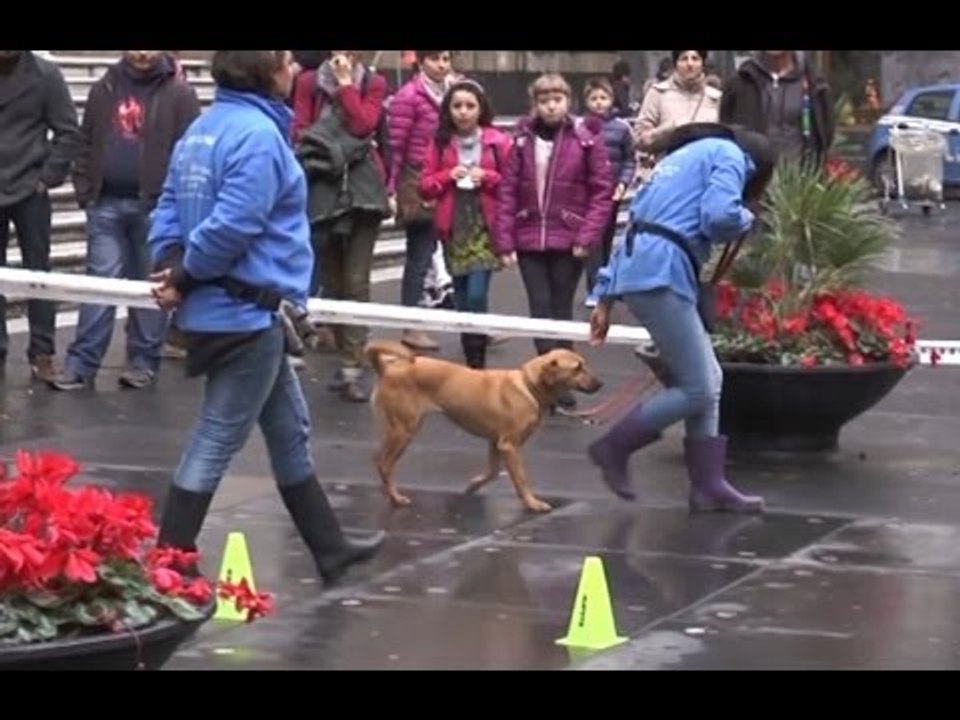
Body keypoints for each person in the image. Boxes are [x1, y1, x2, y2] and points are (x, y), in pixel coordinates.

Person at [147, 50, 384, 584]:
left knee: (289, 431)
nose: (295, 68)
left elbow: (167, 204)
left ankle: (331, 549)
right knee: (216, 437)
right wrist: (183, 274)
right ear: (264, 72)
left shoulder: (205, 130)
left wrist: (170, 261)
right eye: (284, 59)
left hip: (237, 309)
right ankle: (169, 564)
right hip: (243, 312)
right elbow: (236, 222)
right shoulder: (256, 137)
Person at [586, 122, 777, 513]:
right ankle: (615, 446)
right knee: (699, 389)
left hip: (642, 268)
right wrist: (746, 217)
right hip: (663, 271)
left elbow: (631, 225)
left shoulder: (677, 160)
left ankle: (708, 485)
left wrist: (604, 296)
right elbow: (719, 217)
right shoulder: (730, 156)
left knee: (710, 379)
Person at [51, 51, 201, 391]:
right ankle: (81, 363)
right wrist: (84, 188)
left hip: (155, 205)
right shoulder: (105, 86)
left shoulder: (179, 93)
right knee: (99, 282)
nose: (143, 53)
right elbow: (86, 138)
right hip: (105, 201)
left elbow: (190, 151)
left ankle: (143, 361)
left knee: (150, 286)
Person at [496, 73, 613, 411]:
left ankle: (564, 383)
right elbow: (507, 191)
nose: (550, 105)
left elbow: (600, 192)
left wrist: (586, 236)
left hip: (569, 237)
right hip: (529, 233)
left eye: (557, 98)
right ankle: (543, 380)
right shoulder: (520, 139)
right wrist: (504, 242)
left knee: (560, 309)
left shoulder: (586, 138)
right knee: (539, 309)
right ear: (535, 103)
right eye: (544, 99)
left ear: (568, 101)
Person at [295, 50, 391, 403]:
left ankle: (352, 365)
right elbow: (302, 131)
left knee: (356, 281)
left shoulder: (374, 82)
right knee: (333, 281)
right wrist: (340, 149)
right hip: (322, 186)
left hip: (363, 191)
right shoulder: (307, 82)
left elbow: (365, 123)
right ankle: (342, 353)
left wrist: (347, 86)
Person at [417, 79, 512, 368]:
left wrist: (489, 177)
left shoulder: (498, 141)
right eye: (457, 105)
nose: (463, 112)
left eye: (470, 105)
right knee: (460, 295)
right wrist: (448, 175)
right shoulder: (440, 142)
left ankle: (477, 360)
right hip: (453, 226)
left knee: (476, 293)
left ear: (481, 108)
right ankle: (470, 356)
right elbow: (425, 186)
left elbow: (512, 183)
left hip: (485, 226)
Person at [0, 50, 80, 382]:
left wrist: (47, 177)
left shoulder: (46, 75)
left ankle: (42, 351)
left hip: (29, 187)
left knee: (39, 271)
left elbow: (68, 131)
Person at [388, 50, 457, 352]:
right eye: (434, 59)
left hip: (452, 176)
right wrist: (392, 187)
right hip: (418, 180)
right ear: (421, 61)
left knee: (462, 252)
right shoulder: (409, 96)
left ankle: (474, 319)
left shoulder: (457, 90)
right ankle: (411, 325)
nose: (442, 65)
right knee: (419, 253)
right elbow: (396, 145)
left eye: (445, 58)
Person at [720, 51, 834, 167]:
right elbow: (727, 132)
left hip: (799, 178)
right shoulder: (742, 81)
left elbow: (825, 135)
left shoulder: (813, 84)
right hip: (754, 178)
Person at [580, 77, 636, 308]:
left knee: (610, 241)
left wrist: (623, 183)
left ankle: (610, 283)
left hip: (613, 193)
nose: (599, 103)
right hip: (589, 195)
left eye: (603, 97)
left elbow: (629, 160)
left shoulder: (622, 128)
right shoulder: (579, 127)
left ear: (611, 99)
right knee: (593, 243)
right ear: (586, 102)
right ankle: (594, 287)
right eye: (594, 98)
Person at [635, 51, 721, 155]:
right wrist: (671, 129)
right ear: (676, 63)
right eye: (684, 59)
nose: (690, 64)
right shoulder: (658, 93)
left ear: (702, 63)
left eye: (695, 59)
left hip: (706, 168)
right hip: (668, 166)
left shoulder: (716, 98)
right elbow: (639, 140)